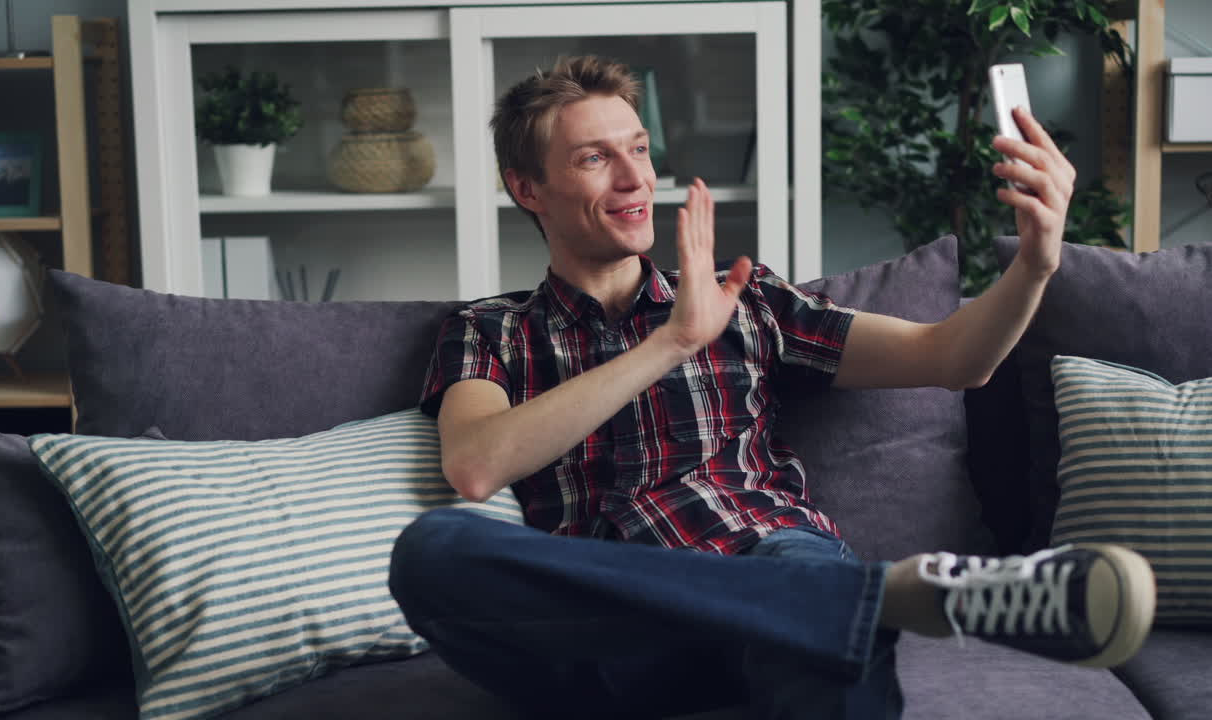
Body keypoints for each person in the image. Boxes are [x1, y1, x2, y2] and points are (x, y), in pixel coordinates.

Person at [388, 55, 1156, 719]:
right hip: (620, 625)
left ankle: (853, 604)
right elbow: (476, 465)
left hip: (772, 562)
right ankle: (891, 598)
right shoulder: (491, 330)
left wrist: (1037, 263)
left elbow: (953, 357)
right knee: (433, 550)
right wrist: (671, 342)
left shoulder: (749, 298)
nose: (635, 179)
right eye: (595, 159)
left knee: (811, 613)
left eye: (640, 149)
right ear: (528, 188)